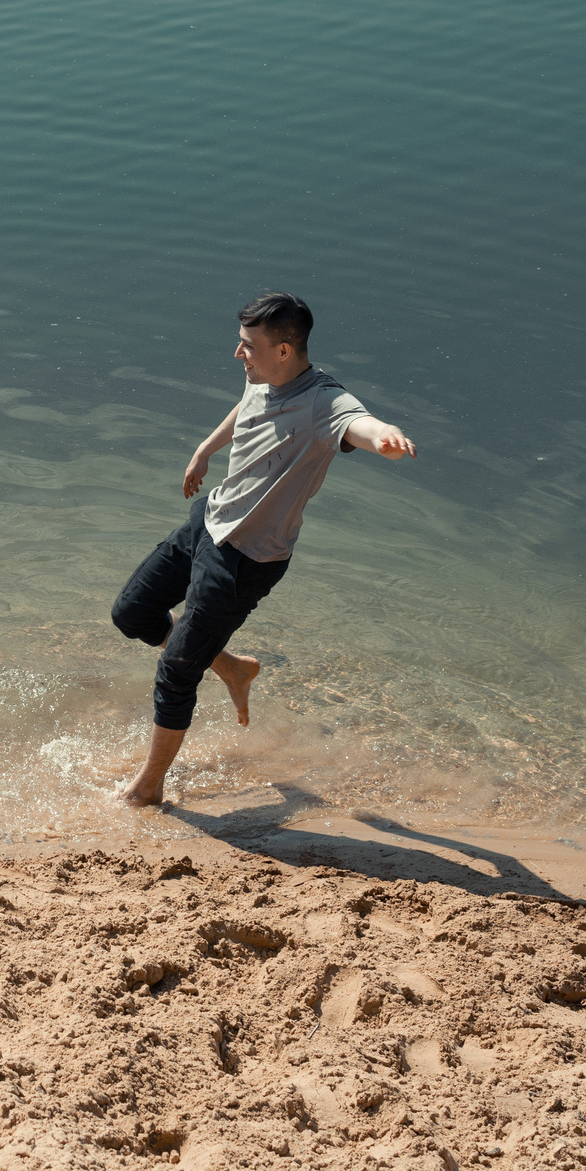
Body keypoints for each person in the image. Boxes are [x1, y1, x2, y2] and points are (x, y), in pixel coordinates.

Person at [110, 293, 415, 805]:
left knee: (178, 669)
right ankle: (230, 666)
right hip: (210, 520)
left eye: (248, 346)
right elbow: (246, 408)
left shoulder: (323, 402)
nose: (237, 354)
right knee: (132, 613)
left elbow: (357, 422)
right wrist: (205, 450)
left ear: (285, 351)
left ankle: (148, 788)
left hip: (247, 559)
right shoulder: (261, 376)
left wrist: (384, 436)